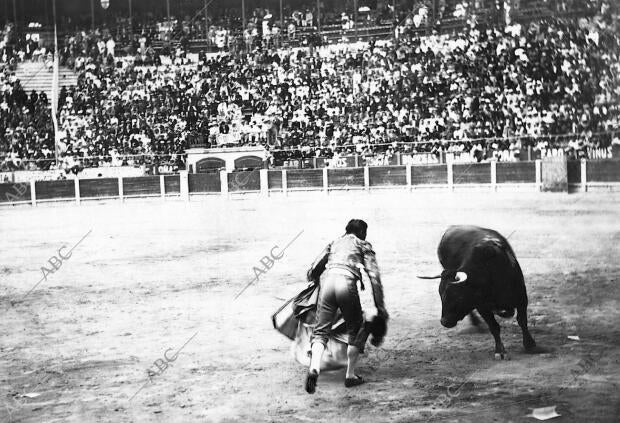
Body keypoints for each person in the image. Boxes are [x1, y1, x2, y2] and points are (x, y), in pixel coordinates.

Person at [304, 219, 388, 394]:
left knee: (320, 331)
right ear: (362, 233)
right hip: (346, 283)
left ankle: (314, 369)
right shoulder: (363, 244)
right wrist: (380, 307)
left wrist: (313, 281)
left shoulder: (335, 242)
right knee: (356, 329)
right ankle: (350, 375)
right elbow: (374, 277)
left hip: (328, 283)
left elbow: (314, 269)